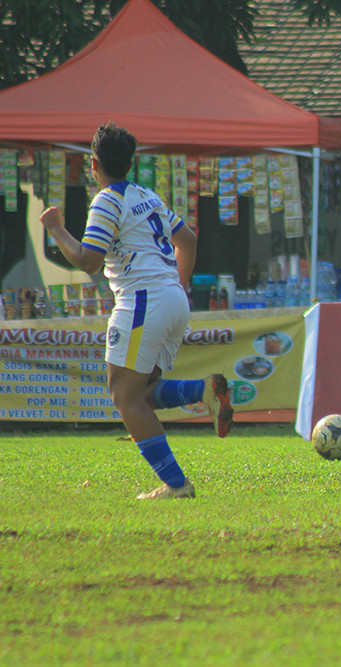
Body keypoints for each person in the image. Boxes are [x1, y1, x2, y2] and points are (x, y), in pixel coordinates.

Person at [39, 122, 234, 500]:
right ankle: (204, 390)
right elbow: (188, 240)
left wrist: (57, 229)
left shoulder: (107, 201)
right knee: (141, 393)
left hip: (143, 300)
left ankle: (176, 485)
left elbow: (89, 261)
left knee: (123, 397)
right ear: (131, 163)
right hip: (173, 298)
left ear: (93, 163)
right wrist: (174, 285)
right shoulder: (147, 195)